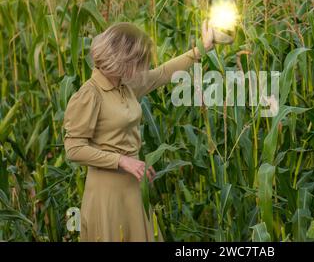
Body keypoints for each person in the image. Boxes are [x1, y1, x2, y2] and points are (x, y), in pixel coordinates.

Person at [63, 20, 214, 241]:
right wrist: (122, 161)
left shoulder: (126, 86)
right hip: (107, 194)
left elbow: (162, 73)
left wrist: (201, 49)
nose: (143, 67)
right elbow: (74, 149)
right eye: (139, 60)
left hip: (133, 187)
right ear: (122, 59)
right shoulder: (90, 94)